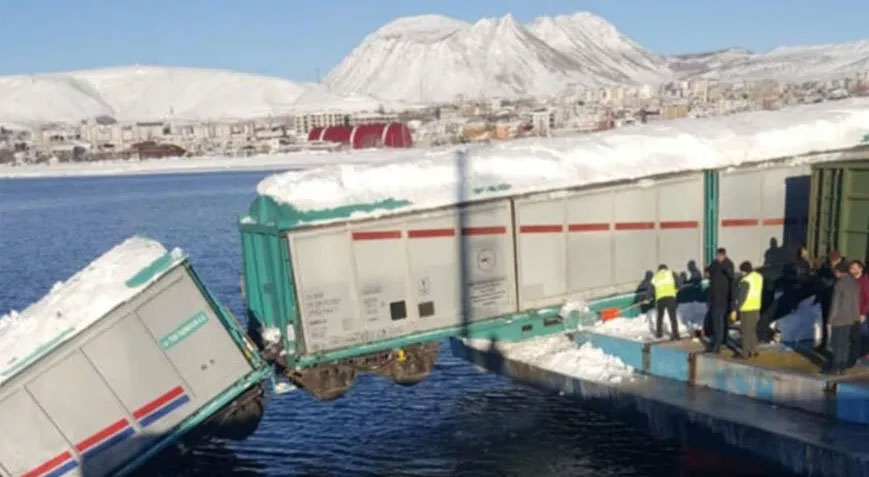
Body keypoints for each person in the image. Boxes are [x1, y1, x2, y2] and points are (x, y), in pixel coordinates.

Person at [827, 261, 860, 374]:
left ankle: (835, 367)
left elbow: (835, 304)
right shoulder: (854, 283)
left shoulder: (839, 284)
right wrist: (856, 317)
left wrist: (830, 319)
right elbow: (856, 301)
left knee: (837, 344)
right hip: (850, 317)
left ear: (838, 271)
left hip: (839, 318)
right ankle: (842, 367)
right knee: (845, 343)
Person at [705, 248, 735, 353]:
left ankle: (718, 343)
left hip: (723, 299)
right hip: (714, 298)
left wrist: (732, 299)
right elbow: (709, 272)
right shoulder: (715, 264)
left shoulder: (728, 265)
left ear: (723, 255)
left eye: (719, 256)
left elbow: (732, 282)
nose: (717, 258)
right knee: (717, 322)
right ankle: (719, 340)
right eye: (717, 256)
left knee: (721, 322)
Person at [817, 250, 845, 350]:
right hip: (826, 297)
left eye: (835, 260)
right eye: (832, 260)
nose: (833, 262)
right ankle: (824, 343)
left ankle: (836, 344)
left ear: (840, 259)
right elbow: (819, 279)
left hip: (838, 300)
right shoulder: (825, 267)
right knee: (825, 321)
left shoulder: (843, 269)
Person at [734, 261, 763, 357]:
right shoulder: (758, 277)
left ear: (745, 271)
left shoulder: (745, 280)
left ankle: (745, 353)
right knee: (752, 330)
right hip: (756, 306)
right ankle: (754, 350)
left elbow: (742, 296)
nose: (741, 273)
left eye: (741, 271)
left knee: (745, 331)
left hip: (746, 308)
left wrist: (736, 309)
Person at [650, 264, 682, 340]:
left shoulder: (656, 276)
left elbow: (651, 289)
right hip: (670, 297)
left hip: (660, 298)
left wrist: (648, 298)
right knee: (673, 316)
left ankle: (659, 333)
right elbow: (679, 282)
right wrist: (676, 290)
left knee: (660, 316)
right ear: (666, 268)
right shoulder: (671, 273)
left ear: (659, 269)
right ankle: (676, 334)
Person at [848, 260, 869, 364]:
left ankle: (863, 353)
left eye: (855, 268)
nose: (853, 270)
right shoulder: (850, 280)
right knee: (853, 334)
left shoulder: (864, 281)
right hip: (850, 311)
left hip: (860, 312)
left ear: (860, 269)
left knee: (862, 333)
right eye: (852, 268)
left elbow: (867, 298)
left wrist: (863, 313)